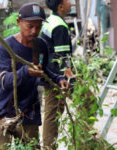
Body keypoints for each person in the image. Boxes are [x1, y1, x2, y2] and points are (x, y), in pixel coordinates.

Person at [0, 3, 69, 150]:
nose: (34, 31)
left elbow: (42, 72)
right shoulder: (6, 46)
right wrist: (26, 71)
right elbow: (5, 81)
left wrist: (58, 79)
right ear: (19, 22)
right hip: (3, 109)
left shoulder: (40, 45)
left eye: (38, 27)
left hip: (28, 111)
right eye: (29, 26)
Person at [41, 0, 74, 149]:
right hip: (57, 76)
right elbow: (62, 56)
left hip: (49, 71)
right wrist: (68, 75)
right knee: (87, 102)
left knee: (51, 113)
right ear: (61, 6)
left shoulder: (50, 19)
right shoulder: (59, 26)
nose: (71, 2)